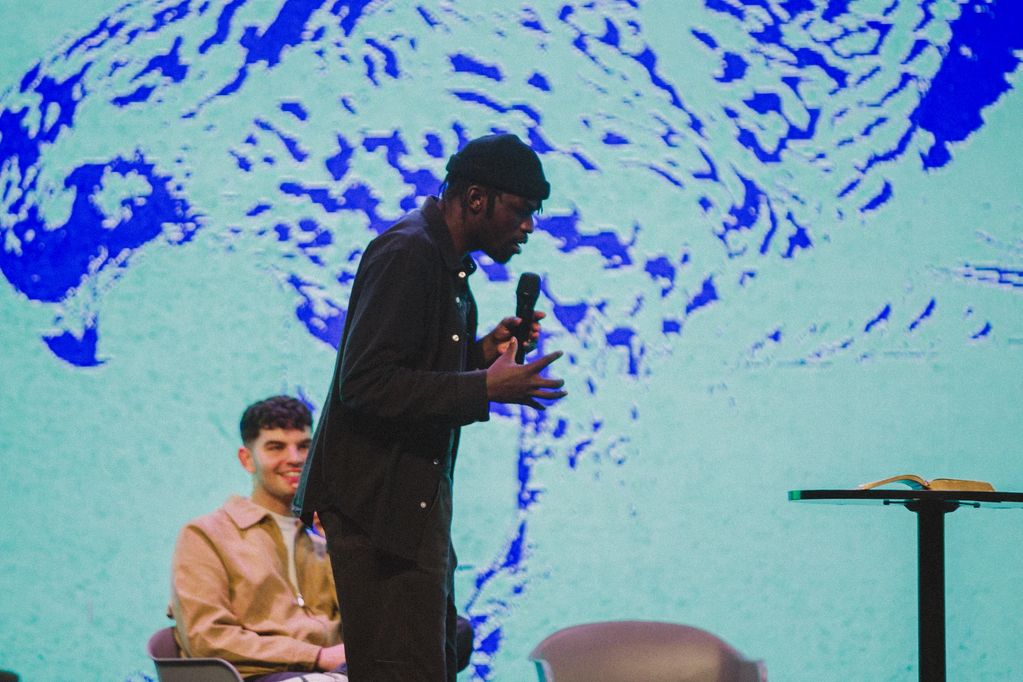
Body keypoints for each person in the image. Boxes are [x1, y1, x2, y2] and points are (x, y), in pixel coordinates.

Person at [294, 133, 568, 682]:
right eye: (519, 210)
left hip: (407, 515)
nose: (529, 227)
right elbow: (366, 383)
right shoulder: (408, 254)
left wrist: (481, 353)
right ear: (474, 198)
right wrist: (483, 388)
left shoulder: (442, 263)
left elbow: (411, 371)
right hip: (379, 517)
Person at [170, 396, 347, 681]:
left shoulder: (323, 539)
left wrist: (341, 544)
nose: (295, 458)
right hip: (255, 675)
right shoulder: (206, 535)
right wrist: (316, 656)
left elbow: (367, 624)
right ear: (247, 459)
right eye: (276, 447)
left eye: (304, 446)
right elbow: (206, 637)